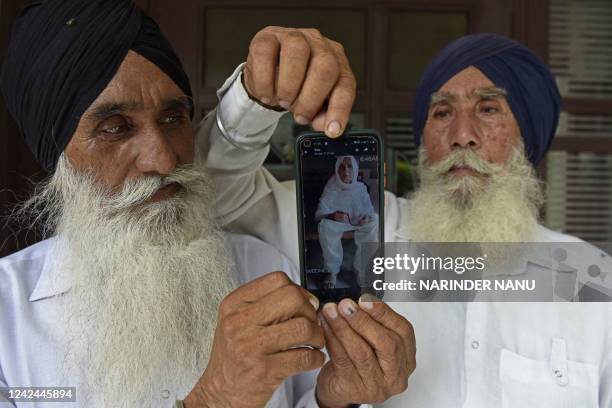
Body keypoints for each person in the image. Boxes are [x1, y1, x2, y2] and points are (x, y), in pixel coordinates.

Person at [0, 1, 415, 407]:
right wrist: (213, 399)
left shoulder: (263, 269)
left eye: (172, 119)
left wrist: (333, 397)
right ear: (58, 158)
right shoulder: (8, 314)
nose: (163, 160)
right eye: (115, 128)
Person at [202, 32, 612, 407]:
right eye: (442, 112)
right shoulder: (368, 225)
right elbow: (218, 196)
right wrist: (256, 100)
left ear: (529, 136)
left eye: (488, 108)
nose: (462, 134)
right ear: (423, 136)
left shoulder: (592, 279)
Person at [315, 156, 377, 288]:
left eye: (350, 167)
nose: (346, 171)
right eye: (342, 167)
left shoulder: (360, 188)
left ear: (355, 169)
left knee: (375, 222)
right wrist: (332, 215)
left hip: (359, 222)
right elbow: (319, 214)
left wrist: (366, 217)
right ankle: (332, 272)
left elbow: (370, 211)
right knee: (325, 226)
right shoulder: (331, 186)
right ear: (337, 170)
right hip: (338, 223)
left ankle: (362, 270)